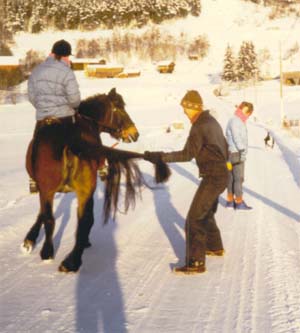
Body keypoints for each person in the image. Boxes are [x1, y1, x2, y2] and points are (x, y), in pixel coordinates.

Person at [144, 90, 229, 274]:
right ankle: (215, 247)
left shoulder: (199, 125)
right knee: (205, 212)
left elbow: (186, 154)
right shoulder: (212, 121)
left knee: (194, 219)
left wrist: (160, 157)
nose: (184, 112)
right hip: (221, 174)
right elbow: (225, 146)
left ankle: (196, 263)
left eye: (185, 108)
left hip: (213, 176)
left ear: (192, 107)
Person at [27, 39, 81, 192]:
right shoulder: (66, 72)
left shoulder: (37, 70)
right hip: (63, 119)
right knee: (75, 145)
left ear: (52, 54)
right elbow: (74, 100)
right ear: (64, 56)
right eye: (68, 57)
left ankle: (33, 178)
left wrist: (43, 108)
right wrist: (73, 108)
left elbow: (32, 96)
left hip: (42, 119)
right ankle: (70, 178)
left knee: (35, 145)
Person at [225, 101, 253, 210]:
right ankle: (239, 202)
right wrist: (243, 152)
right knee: (238, 179)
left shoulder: (235, 119)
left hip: (231, 153)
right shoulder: (236, 121)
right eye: (246, 112)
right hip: (237, 153)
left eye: (248, 113)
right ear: (242, 109)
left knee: (231, 178)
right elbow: (237, 138)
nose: (247, 115)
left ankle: (230, 201)